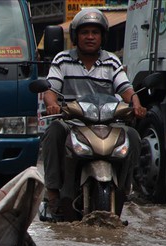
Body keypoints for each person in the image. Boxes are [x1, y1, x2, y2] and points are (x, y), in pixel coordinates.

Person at [41, 8, 146, 221]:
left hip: (107, 122)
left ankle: (125, 187)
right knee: (53, 131)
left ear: (102, 36)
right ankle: (53, 191)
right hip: (72, 122)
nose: (90, 37)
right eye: (85, 32)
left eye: (95, 32)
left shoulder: (112, 62)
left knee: (132, 135)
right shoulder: (62, 60)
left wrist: (135, 103)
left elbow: (126, 89)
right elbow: (50, 91)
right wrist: (52, 105)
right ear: (76, 36)